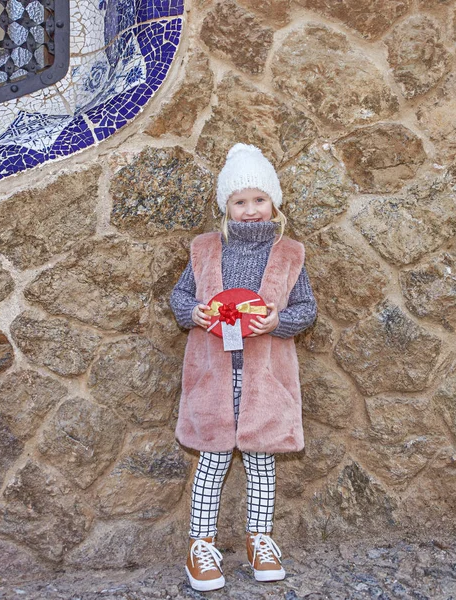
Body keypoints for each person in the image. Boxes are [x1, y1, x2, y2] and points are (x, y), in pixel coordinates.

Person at [170, 143, 317, 592]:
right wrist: (192, 312)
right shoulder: (205, 250)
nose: (250, 209)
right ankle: (201, 546)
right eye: (239, 201)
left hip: (264, 377)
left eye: (258, 199)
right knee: (212, 459)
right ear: (225, 207)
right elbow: (179, 297)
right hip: (214, 375)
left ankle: (260, 539)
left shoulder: (290, 253)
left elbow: (306, 308)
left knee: (260, 461)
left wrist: (279, 320)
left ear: (274, 203)